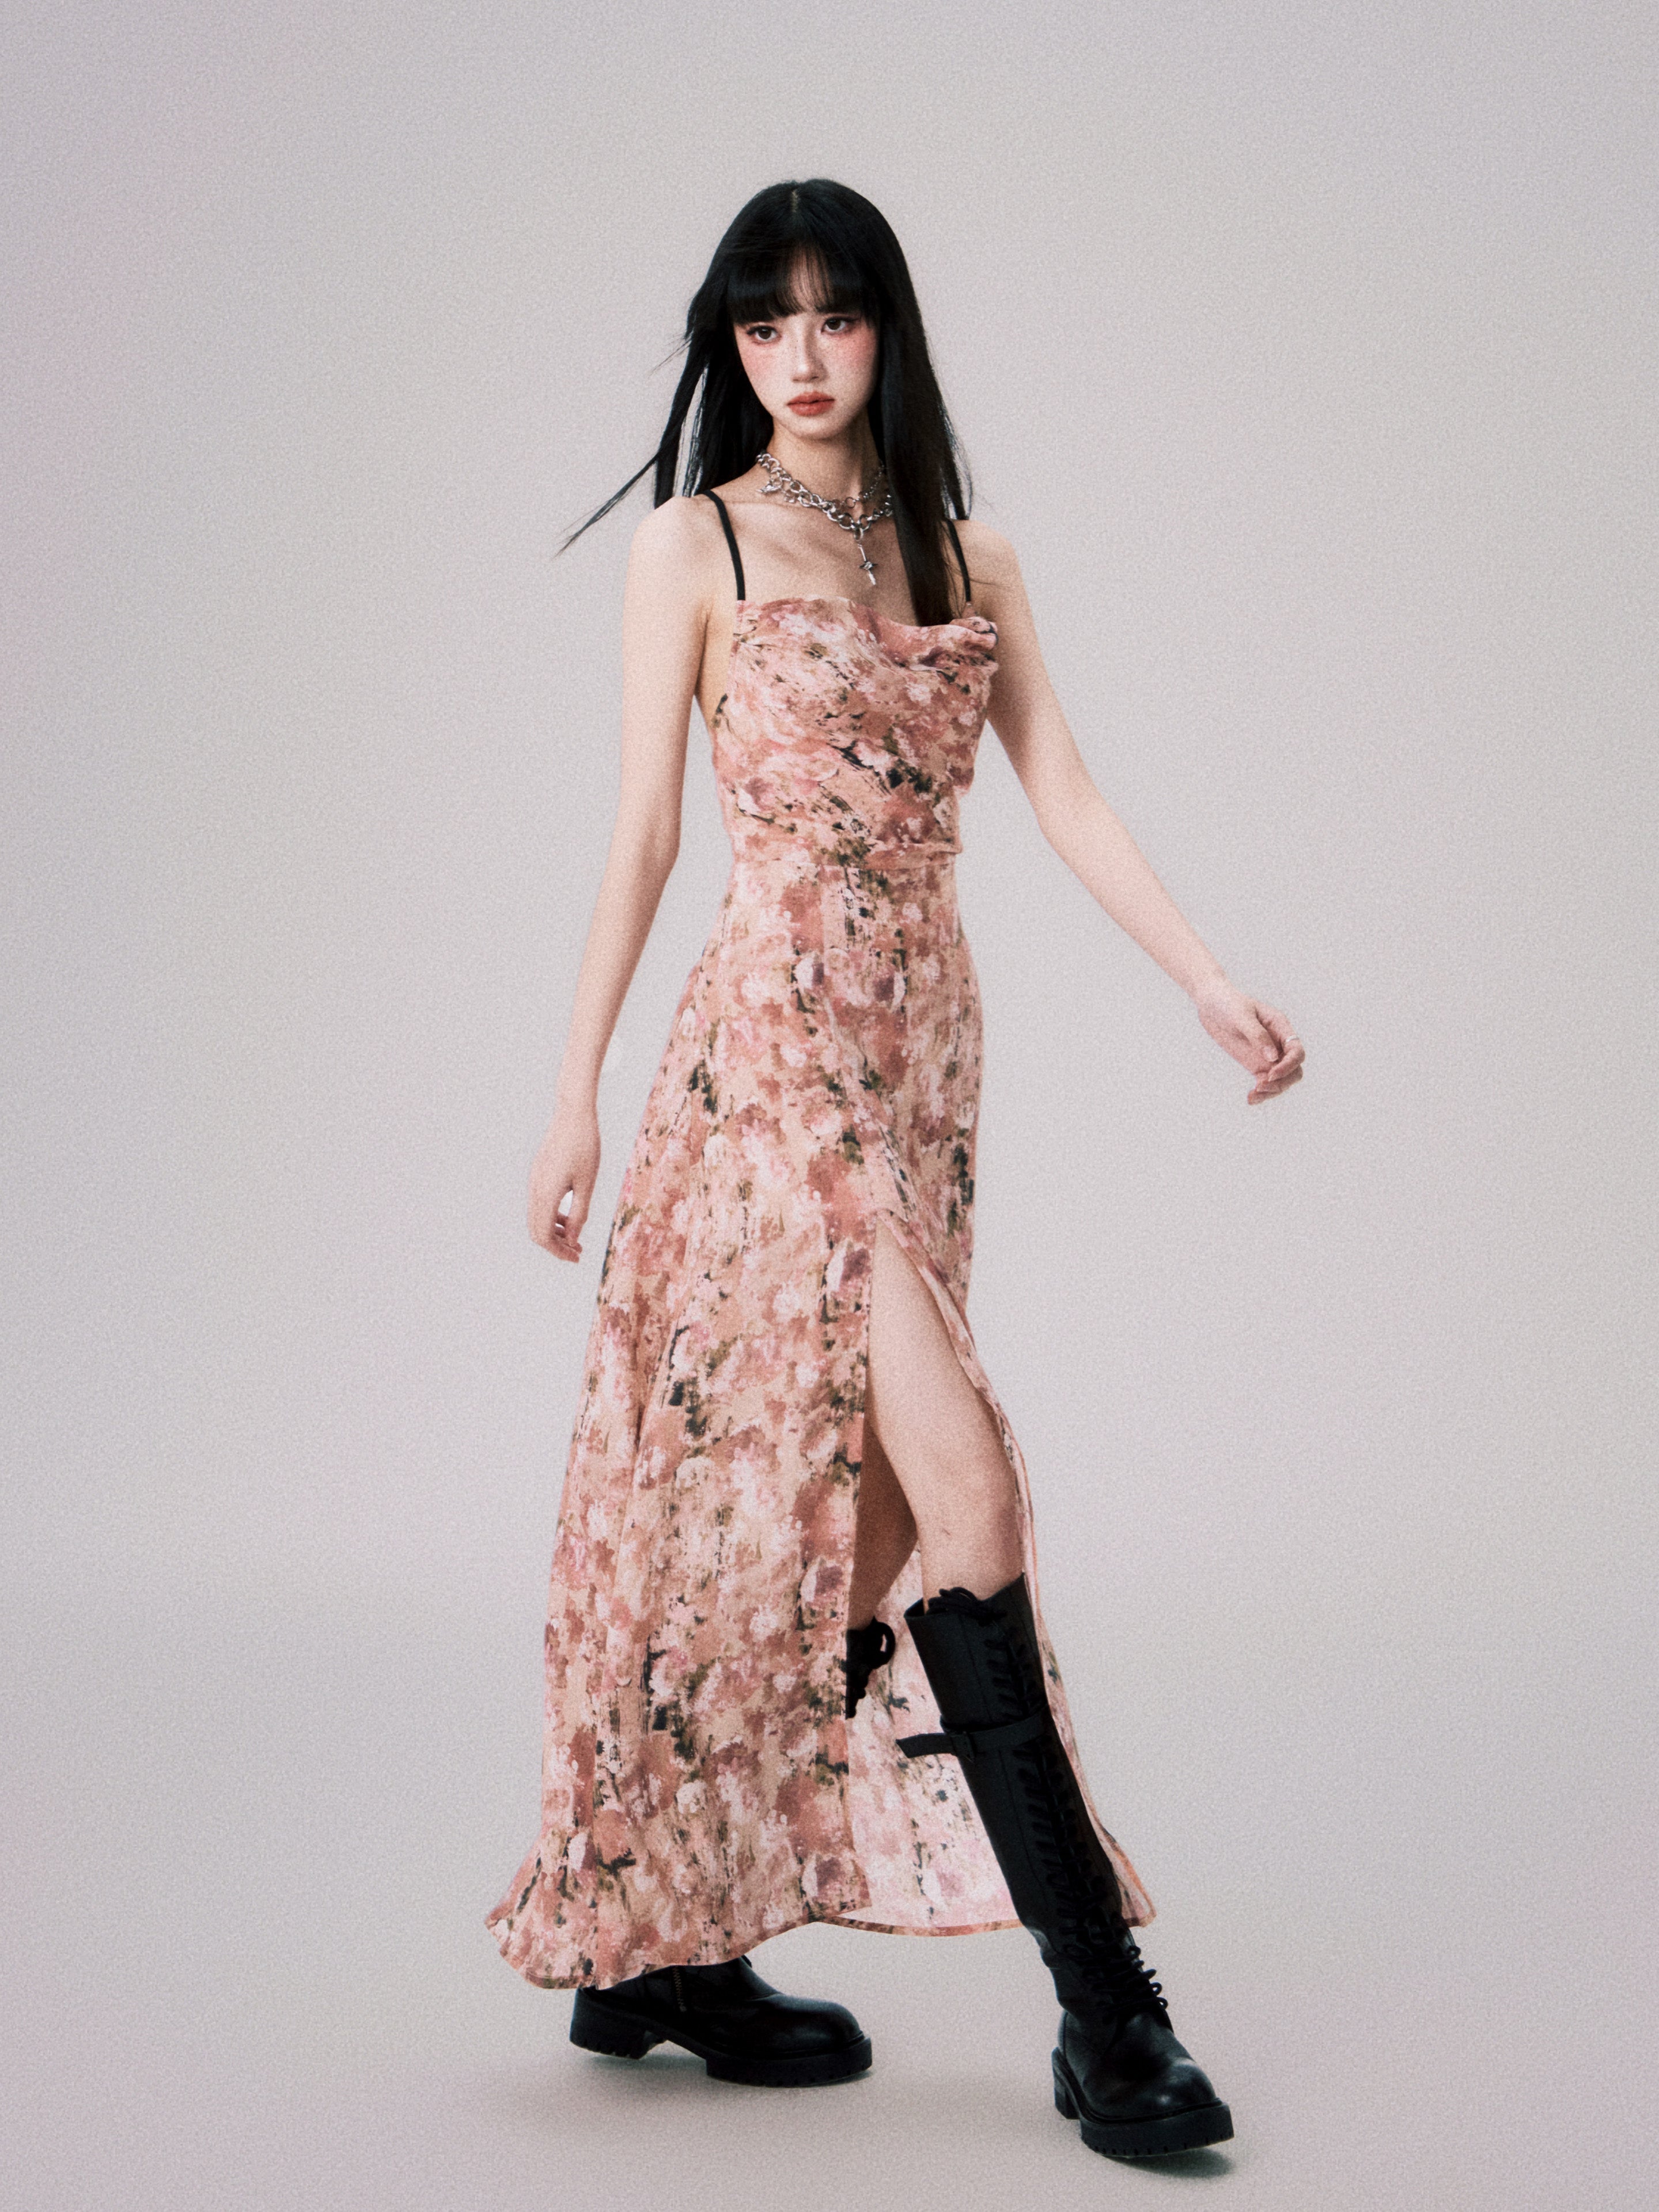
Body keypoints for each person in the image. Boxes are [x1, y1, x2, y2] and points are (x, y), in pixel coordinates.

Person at [488, 177, 1302, 2160]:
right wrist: (576, 1090)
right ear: (731, 345)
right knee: (971, 1492)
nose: (801, 357)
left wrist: (1207, 979)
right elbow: (645, 834)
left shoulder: (968, 551)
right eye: (765, 323)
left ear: (887, 330)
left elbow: (1065, 791)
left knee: (838, 1535)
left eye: (835, 316)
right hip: (771, 1063)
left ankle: (660, 1949)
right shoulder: (694, 546)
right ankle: (1110, 2020)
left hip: (921, 1055)